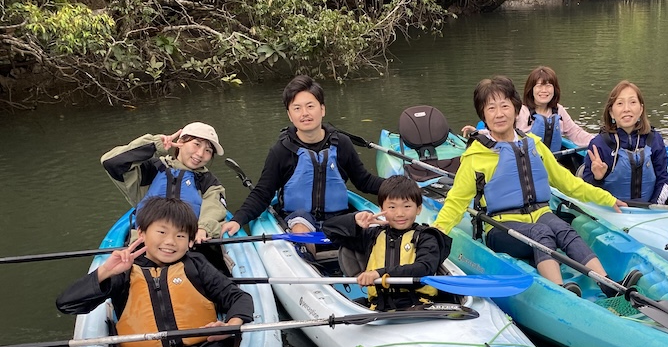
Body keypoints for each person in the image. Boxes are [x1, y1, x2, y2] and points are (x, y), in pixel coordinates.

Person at [434, 76, 626, 293]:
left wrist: (607, 198)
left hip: (540, 213)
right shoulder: (476, 156)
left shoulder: (533, 145)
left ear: (516, 110)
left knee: (563, 229)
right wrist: (435, 235)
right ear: (484, 116)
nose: (499, 114)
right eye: (491, 108)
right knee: (541, 233)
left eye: (505, 106)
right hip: (501, 227)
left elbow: (569, 183)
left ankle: (608, 283)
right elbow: (456, 202)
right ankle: (561, 292)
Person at [56, 198, 254, 347]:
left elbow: (238, 298)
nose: (170, 242)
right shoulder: (123, 273)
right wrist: (105, 271)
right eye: (162, 232)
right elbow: (67, 304)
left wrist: (230, 325)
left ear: (190, 241)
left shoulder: (196, 265)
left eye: (180, 235)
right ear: (141, 233)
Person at [221, 74, 385, 239]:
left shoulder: (342, 144)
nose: (304, 113)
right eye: (297, 108)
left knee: (366, 220)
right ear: (290, 115)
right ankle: (308, 259)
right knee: (301, 224)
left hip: (339, 218)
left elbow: (364, 181)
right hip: (297, 219)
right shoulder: (281, 151)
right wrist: (238, 219)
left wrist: (400, 186)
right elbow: (263, 193)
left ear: (322, 109)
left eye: (310, 106)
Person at [321, 175, 452, 311]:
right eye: (392, 207)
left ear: (418, 209)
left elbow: (424, 268)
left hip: (419, 304)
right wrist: (354, 220)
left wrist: (378, 273)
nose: (400, 213)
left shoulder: (427, 237)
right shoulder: (372, 235)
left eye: (407, 206)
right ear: (381, 209)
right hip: (379, 307)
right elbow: (330, 231)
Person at [100, 122, 227, 243]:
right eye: (197, 144)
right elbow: (111, 162)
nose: (200, 154)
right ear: (180, 142)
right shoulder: (151, 168)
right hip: (145, 247)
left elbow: (214, 208)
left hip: (189, 246)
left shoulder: (210, 182)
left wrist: (203, 228)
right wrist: (153, 145)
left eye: (208, 151)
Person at [582, 81, 668, 204]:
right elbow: (586, 190)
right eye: (620, 103)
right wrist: (597, 178)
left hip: (650, 212)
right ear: (611, 112)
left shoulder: (654, 139)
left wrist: (655, 206)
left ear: (641, 109)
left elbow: (664, 180)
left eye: (633, 102)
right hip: (610, 212)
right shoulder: (600, 144)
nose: (626, 109)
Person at [516, 66, 595, 171]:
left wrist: (597, 141)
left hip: (553, 163)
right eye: (539, 86)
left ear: (554, 89)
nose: (544, 90)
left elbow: (575, 132)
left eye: (548, 86)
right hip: (527, 165)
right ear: (531, 89)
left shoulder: (558, 110)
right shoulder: (521, 112)